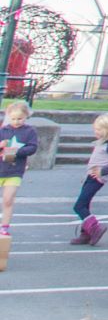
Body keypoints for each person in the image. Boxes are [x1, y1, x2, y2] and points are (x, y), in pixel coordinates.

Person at [71, 111, 108, 245]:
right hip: (90, 177)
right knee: (85, 204)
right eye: (95, 128)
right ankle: (86, 233)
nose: (96, 131)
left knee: (79, 206)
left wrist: (103, 171)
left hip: (96, 179)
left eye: (99, 129)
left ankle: (95, 228)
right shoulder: (101, 143)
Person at [1, 100, 41, 236]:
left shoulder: (29, 131)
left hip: (15, 170)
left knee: (8, 199)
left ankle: (4, 226)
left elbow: (33, 147)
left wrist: (18, 151)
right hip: (1, 167)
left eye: (20, 118)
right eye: (13, 119)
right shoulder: (4, 130)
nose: (16, 121)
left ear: (26, 116)